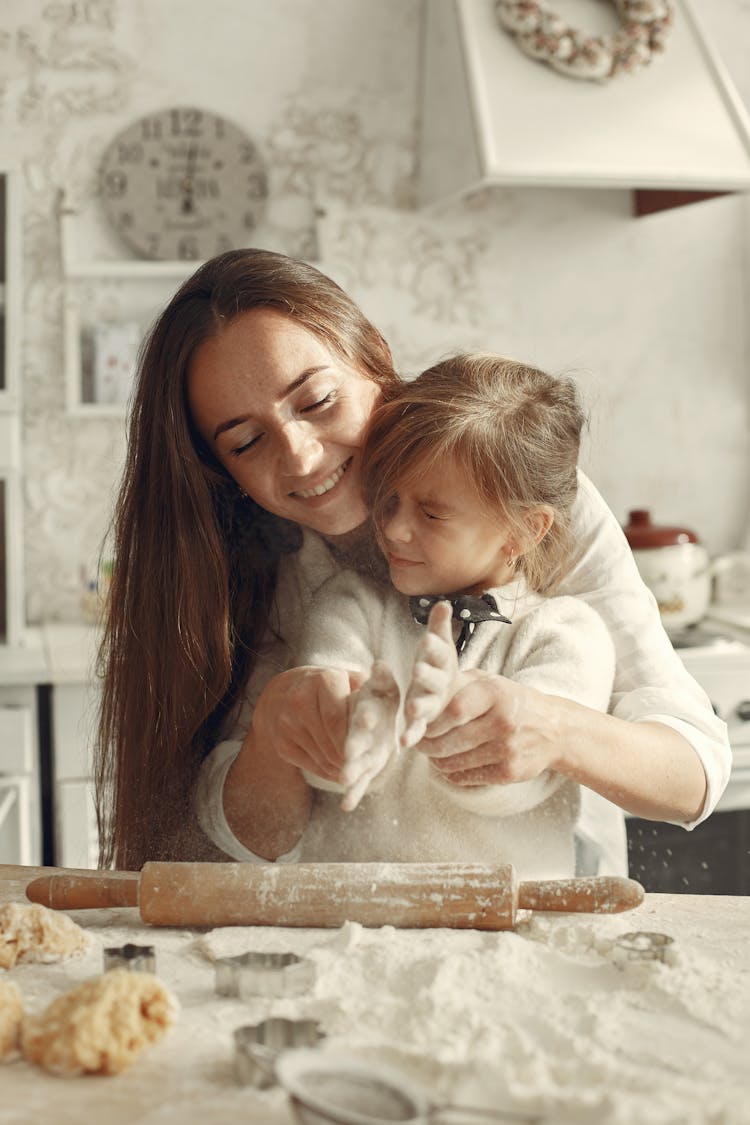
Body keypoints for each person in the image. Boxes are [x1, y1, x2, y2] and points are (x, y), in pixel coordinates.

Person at [94, 247, 730, 873]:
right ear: (220, 472)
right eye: (247, 441)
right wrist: (278, 735)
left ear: (373, 358)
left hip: (539, 901)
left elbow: (691, 774)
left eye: (317, 402)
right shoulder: (252, 559)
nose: (301, 458)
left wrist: (552, 727)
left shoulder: (507, 490)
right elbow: (246, 839)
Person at [289, 352, 618, 878]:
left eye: (432, 512)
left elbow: (514, 785)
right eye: (390, 499)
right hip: (354, 928)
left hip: (511, 935)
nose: (394, 528)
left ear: (524, 531)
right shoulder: (351, 605)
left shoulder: (566, 636)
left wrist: (448, 711)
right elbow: (321, 755)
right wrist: (359, 730)